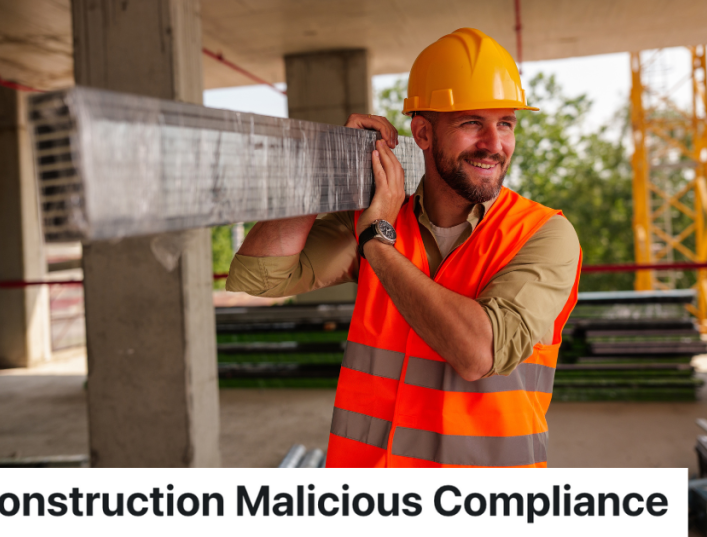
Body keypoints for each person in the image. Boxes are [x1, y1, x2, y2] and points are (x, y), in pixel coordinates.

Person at [226, 28, 582, 468]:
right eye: (473, 123)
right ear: (424, 133)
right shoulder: (382, 216)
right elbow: (258, 276)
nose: (494, 144)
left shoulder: (542, 234)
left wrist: (377, 242)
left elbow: (480, 353)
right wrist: (322, 167)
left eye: (505, 123)